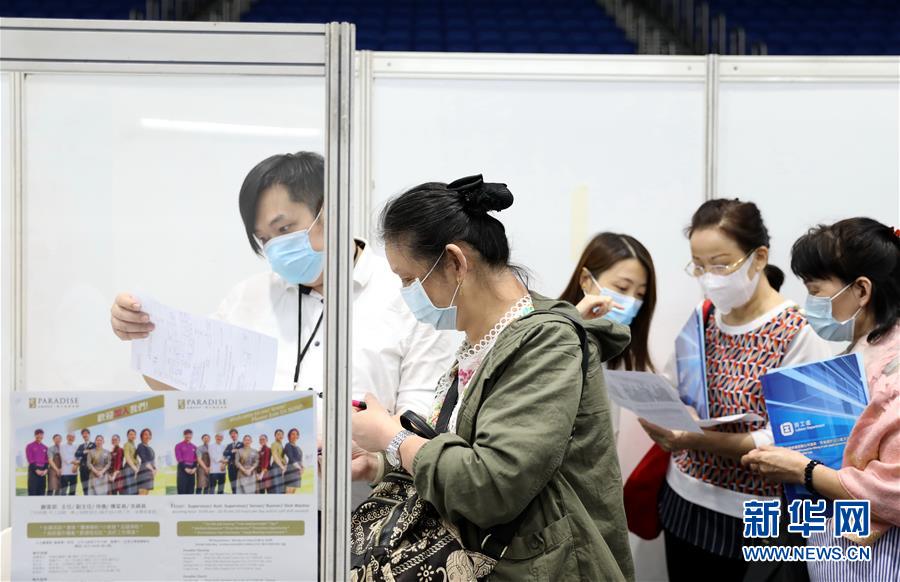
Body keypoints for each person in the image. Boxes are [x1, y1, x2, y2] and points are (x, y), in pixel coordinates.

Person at [351, 175, 634, 580]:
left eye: (410, 279)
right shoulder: (482, 338)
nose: (407, 294)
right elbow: (459, 448)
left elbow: (490, 486)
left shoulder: (545, 345)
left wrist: (393, 437)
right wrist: (379, 464)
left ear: (454, 262)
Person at [638, 199, 834, 580]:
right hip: (684, 498)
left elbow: (796, 439)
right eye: (699, 265)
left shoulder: (798, 333)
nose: (709, 276)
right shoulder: (705, 315)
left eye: (721, 264)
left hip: (755, 516)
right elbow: (675, 383)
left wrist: (696, 440)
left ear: (758, 257)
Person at [742, 218, 900, 581]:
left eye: (815, 290)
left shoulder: (893, 373)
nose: (809, 303)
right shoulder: (863, 348)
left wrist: (803, 471)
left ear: (861, 291)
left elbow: (894, 490)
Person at [559, 231, 657, 440]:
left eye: (640, 294)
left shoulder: (616, 349)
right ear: (586, 280)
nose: (631, 302)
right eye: (622, 287)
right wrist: (573, 325)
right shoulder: (550, 335)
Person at [25, 429, 48, 496]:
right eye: (38, 434)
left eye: (41, 434)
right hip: (33, 470)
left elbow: (46, 460)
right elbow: (30, 459)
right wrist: (36, 470)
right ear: (35, 435)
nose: (40, 436)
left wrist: (46, 469)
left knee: (42, 491)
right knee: (33, 491)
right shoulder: (29, 446)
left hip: (43, 471)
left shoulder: (45, 447)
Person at [175, 429, 197, 495]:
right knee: (182, 490)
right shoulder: (178, 445)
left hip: (192, 469)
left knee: (191, 490)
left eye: (190, 435)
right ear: (184, 435)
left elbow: (196, 459)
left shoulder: (194, 447)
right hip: (182, 468)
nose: (188, 436)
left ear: (192, 436)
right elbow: (179, 458)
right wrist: (185, 468)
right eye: (186, 434)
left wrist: (194, 468)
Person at [74, 428, 96, 496]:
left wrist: (84, 453)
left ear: (89, 435)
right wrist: (84, 451)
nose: (85, 435)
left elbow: (94, 453)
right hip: (82, 469)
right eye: (83, 434)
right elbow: (76, 454)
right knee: (84, 487)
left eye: (86, 433)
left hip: (91, 469)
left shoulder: (94, 444)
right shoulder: (80, 446)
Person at [136, 428, 156, 495]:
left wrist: (155, 469)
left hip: (150, 474)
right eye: (145, 434)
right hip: (143, 473)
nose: (147, 436)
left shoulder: (151, 448)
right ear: (141, 436)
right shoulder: (140, 446)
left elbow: (153, 460)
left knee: (146, 495)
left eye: (149, 434)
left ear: (150, 437)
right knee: (142, 495)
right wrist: (152, 470)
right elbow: (144, 459)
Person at [283, 428, 303, 494]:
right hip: (290, 472)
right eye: (292, 434)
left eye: (296, 434)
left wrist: (302, 467)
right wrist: (299, 468)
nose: (294, 436)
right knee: (288, 493)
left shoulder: (299, 448)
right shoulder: (288, 445)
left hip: (297, 473)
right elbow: (291, 458)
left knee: (294, 493)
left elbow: (300, 460)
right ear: (289, 436)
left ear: (298, 436)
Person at [223, 428, 242, 494]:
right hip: (231, 466)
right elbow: (225, 453)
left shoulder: (241, 444)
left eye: (234, 433)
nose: (233, 435)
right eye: (231, 434)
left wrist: (237, 451)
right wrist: (232, 451)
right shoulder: (229, 445)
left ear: (237, 434)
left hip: (239, 467)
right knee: (232, 484)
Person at [268, 429, 286, 494]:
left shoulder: (281, 445)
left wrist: (285, 466)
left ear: (283, 436)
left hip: (281, 467)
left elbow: (283, 457)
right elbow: (275, 456)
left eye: (281, 434)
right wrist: (282, 467)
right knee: (278, 489)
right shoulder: (274, 444)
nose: (280, 436)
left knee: (282, 488)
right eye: (278, 434)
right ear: (275, 436)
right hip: (277, 466)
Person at [122, 429, 139, 495]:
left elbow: (136, 458)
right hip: (129, 468)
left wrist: (137, 467)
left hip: (135, 468)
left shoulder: (134, 445)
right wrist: (135, 469)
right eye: (131, 434)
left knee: (135, 489)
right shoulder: (127, 444)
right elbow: (127, 457)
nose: (133, 436)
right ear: (127, 436)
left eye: (134, 434)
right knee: (130, 489)